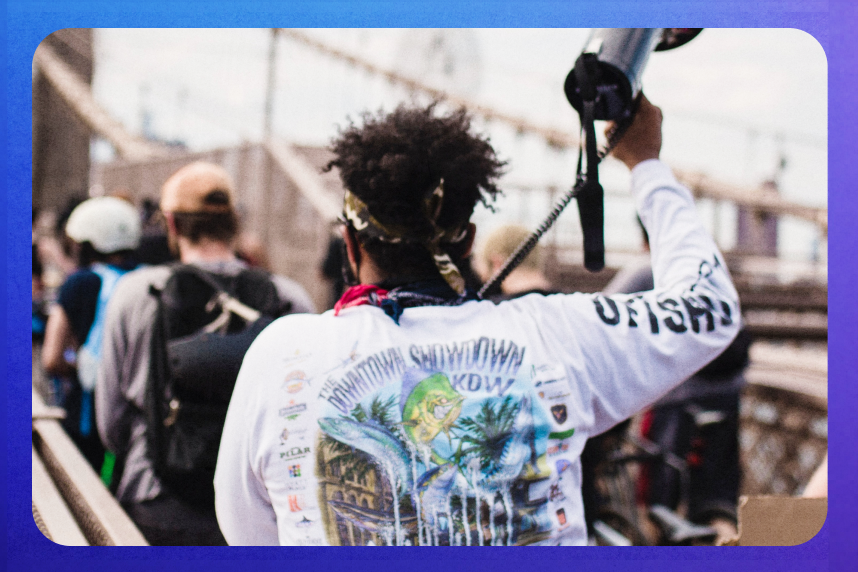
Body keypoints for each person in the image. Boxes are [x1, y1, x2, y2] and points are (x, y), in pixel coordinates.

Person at [214, 98, 741, 546]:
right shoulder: (553, 334)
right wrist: (645, 162)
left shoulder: (281, 355)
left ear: (350, 245)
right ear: (467, 240)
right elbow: (708, 306)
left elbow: (248, 531)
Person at [96, 161, 317, 546]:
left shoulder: (136, 294)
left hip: (156, 497)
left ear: (172, 224)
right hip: (258, 515)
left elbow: (110, 421)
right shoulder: (288, 297)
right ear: (234, 223)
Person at [602, 217, 749, 544]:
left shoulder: (646, 268)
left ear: (645, 239)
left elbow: (596, 328)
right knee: (716, 503)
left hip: (675, 403)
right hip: (727, 397)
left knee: (659, 503)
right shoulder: (708, 271)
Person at [41, 196, 142, 472]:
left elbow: (52, 358)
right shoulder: (149, 279)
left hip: (88, 417)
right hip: (138, 421)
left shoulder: (81, 282)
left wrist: (86, 366)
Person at [476, 223, 554, 300]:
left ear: (497, 263)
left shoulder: (493, 309)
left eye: (485, 277)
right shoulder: (563, 304)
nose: (484, 280)